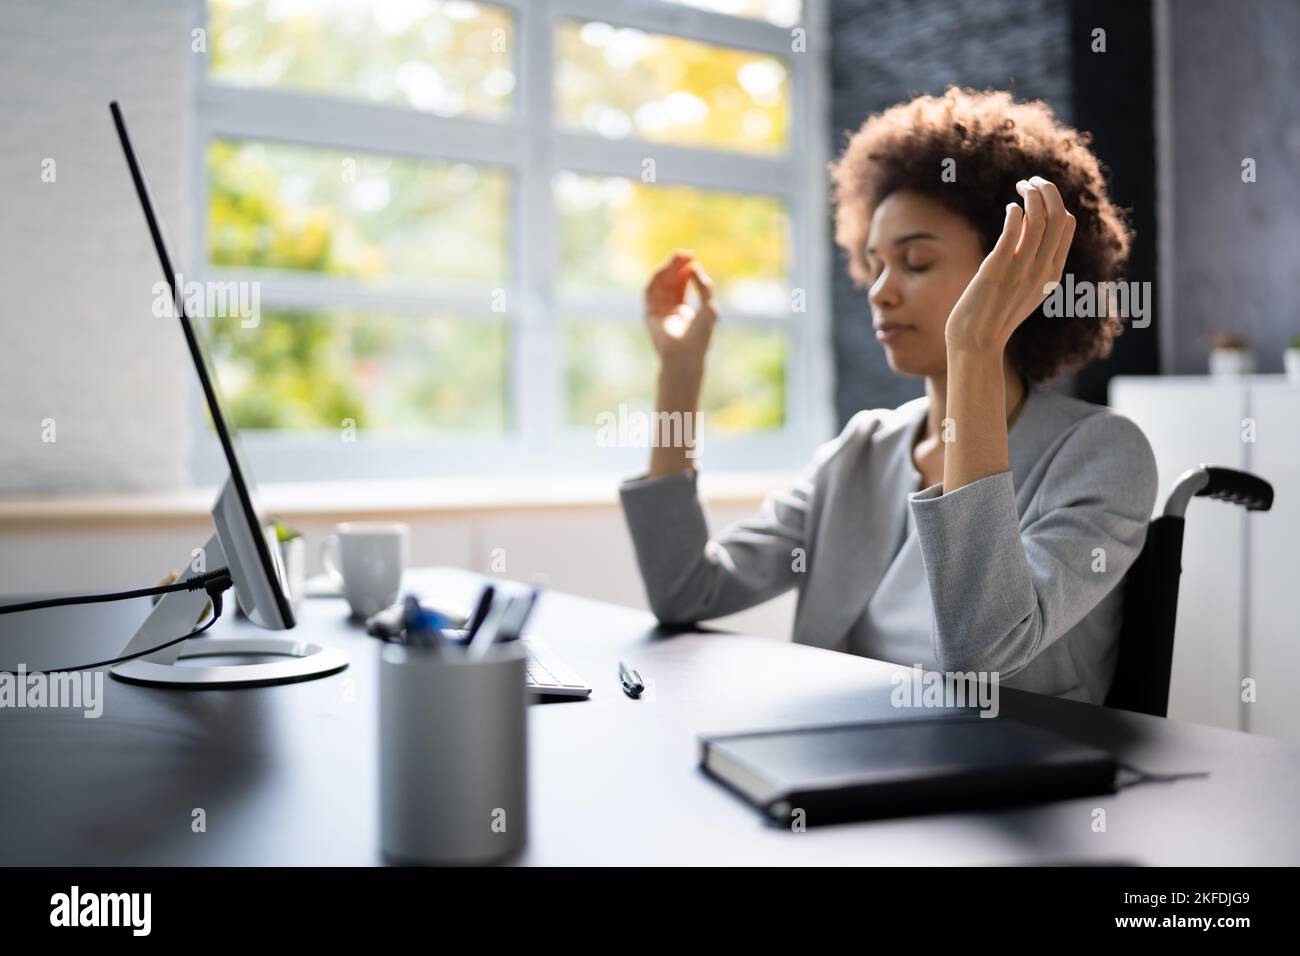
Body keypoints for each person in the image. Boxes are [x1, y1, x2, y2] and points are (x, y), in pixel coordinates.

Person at [618, 86, 1158, 704]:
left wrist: (976, 348)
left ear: (1014, 270)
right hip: (839, 759)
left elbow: (984, 652)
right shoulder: (863, 451)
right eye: (873, 263)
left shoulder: (1101, 453)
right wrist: (679, 375)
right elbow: (687, 590)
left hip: (1005, 778)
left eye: (917, 262)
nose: (879, 290)